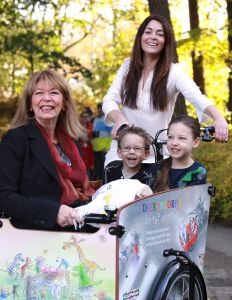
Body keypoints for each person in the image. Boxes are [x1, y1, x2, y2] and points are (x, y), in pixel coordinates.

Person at [102, 15, 229, 167]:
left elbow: (198, 98)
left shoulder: (174, 72)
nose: (153, 37)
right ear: (140, 36)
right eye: (148, 32)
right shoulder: (127, 67)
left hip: (157, 154)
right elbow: (109, 100)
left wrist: (219, 119)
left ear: (166, 41)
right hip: (122, 153)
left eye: (160, 34)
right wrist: (119, 119)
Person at [0, 70, 95, 230]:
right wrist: (53, 212)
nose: (47, 98)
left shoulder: (73, 143)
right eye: (39, 93)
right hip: (34, 238)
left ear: (64, 103)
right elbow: (4, 196)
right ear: (30, 104)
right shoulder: (16, 139)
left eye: (54, 93)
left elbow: (81, 192)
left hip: (76, 234)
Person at [147, 115, 207, 192]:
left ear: (195, 142)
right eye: (170, 137)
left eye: (182, 138)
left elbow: (192, 202)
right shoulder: (156, 168)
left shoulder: (198, 171)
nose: (174, 143)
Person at [91, 102, 112, 181]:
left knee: (104, 169)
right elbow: (94, 135)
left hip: (104, 149)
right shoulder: (95, 119)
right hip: (96, 148)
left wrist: (107, 148)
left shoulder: (108, 119)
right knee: (98, 168)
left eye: (101, 108)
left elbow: (111, 135)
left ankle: (105, 183)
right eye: (99, 108)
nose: (100, 110)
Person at [79, 110, 94, 179]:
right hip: (79, 149)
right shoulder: (77, 126)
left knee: (89, 171)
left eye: (86, 117)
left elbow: (93, 138)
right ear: (81, 117)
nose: (85, 118)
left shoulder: (91, 126)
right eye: (83, 116)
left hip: (89, 150)